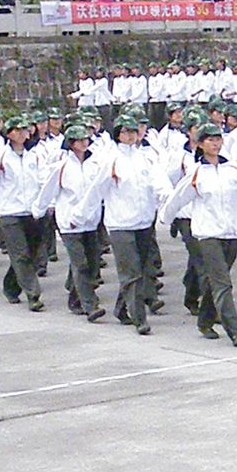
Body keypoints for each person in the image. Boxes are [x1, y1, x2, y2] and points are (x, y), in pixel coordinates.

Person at [160, 123, 237, 346]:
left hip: (230, 233)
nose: (215, 143)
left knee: (216, 280)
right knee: (222, 282)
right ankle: (236, 329)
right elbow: (178, 198)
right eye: (209, 140)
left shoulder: (231, 170)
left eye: (218, 139)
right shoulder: (197, 173)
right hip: (207, 234)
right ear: (200, 144)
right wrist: (166, 217)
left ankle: (205, 319)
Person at [74, 115, 172, 335]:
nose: (131, 136)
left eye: (134, 131)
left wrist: (167, 198)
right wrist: (80, 215)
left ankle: (121, 308)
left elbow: (159, 180)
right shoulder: (112, 159)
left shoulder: (146, 158)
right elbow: (96, 190)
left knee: (141, 268)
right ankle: (139, 317)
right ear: (118, 134)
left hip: (144, 221)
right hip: (120, 224)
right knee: (131, 272)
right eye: (126, 132)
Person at [32, 124, 106, 322]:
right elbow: (48, 191)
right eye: (79, 140)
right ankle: (90, 304)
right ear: (71, 144)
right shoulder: (62, 167)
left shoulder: (96, 164)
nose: (84, 143)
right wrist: (39, 211)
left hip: (91, 221)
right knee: (80, 263)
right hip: (69, 222)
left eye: (86, 139)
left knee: (91, 263)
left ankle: (75, 298)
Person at [0, 115, 46, 311]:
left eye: (25, 130)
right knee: (20, 253)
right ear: (10, 133)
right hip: (9, 212)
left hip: (31, 212)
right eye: (18, 130)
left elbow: (43, 181)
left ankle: (11, 286)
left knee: (30, 254)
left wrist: (45, 204)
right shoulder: (0, 157)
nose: (22, 134)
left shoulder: (35, 155)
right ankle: (33, 294)